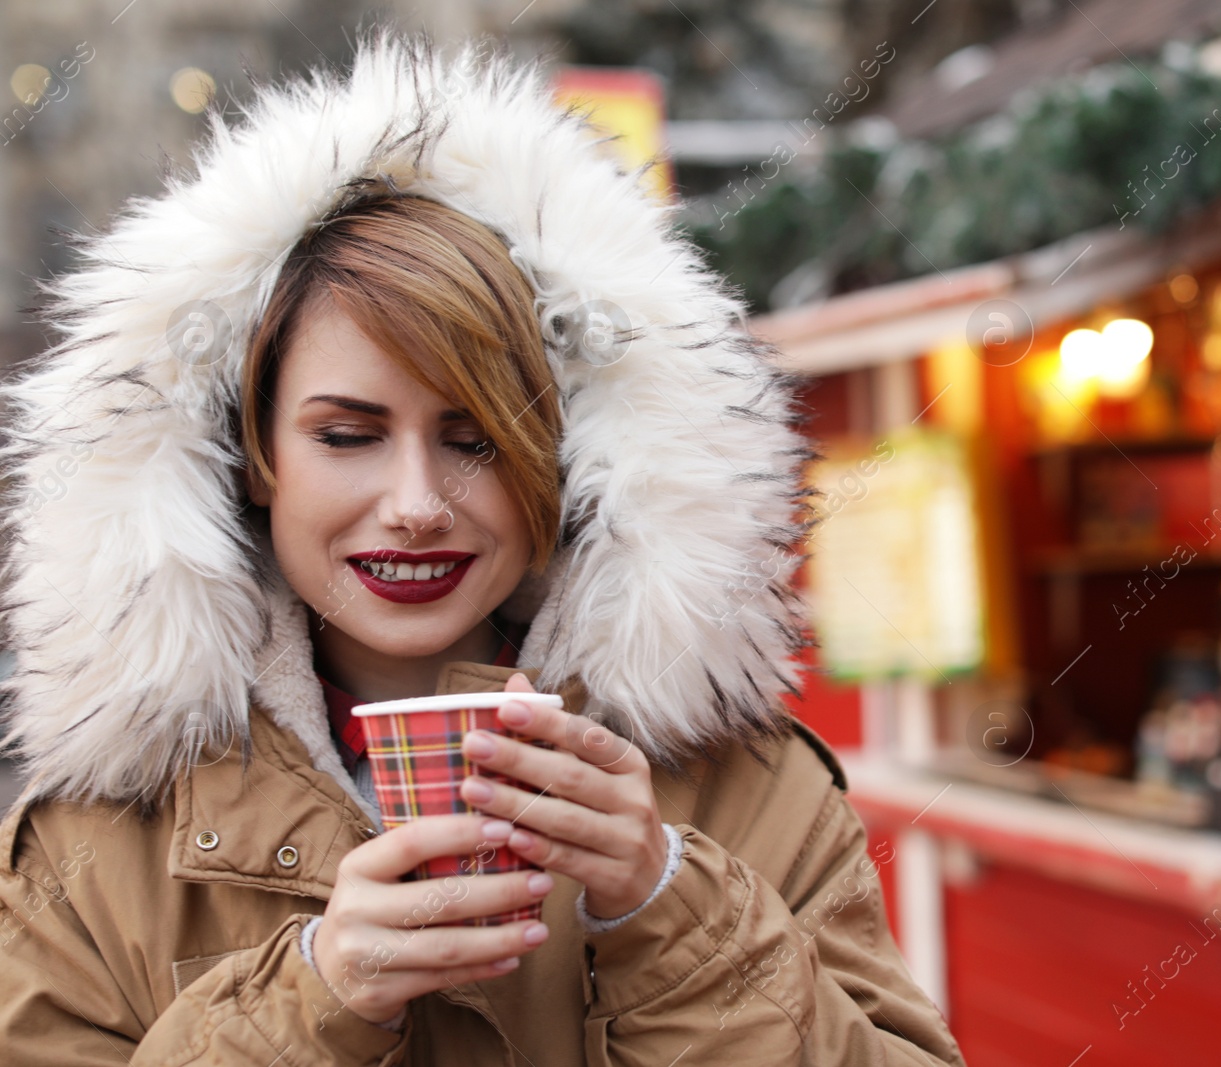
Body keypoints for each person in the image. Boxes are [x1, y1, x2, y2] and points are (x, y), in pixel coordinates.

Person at [0, 30, 967, 1066]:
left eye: (475, 440)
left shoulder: (744, 787)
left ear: (562, 461)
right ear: (250, 459)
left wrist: (665, 906)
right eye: (346, 435)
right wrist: (308, 998)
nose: (416, 505)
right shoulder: (97, 838)